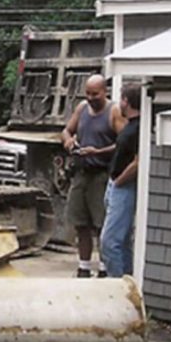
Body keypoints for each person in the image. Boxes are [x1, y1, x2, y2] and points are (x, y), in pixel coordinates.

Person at [61, 75, 116, 278]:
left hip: (101, 174)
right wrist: (68, 142)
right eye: (88, 93)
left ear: (105, 92)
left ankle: (103, 267)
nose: (91, 97)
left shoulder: (113, 111)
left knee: (101, 225)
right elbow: (66, 130)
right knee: (80, 223)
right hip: (81, 173)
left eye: (95, 94)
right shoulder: (82, 108)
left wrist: (99, 151)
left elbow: (124, 144)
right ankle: (84, 267)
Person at [101, 83, 141, 278]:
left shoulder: (137, 128)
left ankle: (116, 284)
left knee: (109, 242)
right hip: (114, 184)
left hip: (123, 188)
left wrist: (118, 182)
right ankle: (128, 277)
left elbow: (137, 162)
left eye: (121, 99)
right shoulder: (128, 126)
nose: (119, 104)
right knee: (122, 241)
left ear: (126, 101)